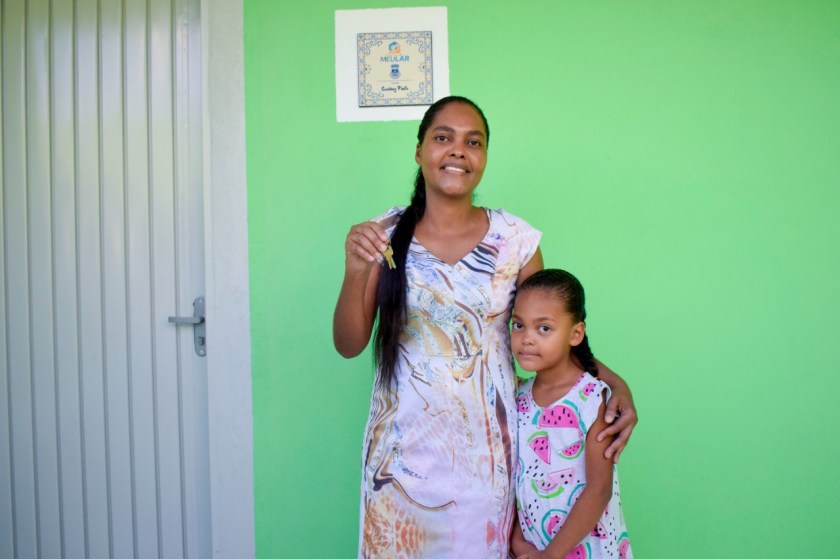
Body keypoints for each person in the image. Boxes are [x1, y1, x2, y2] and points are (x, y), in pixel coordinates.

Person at [333, 96, 637, 558]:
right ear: (419, 151)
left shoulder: (514, 240)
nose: (458, 150)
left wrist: (615, 384)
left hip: (487, 463)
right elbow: (349, 344)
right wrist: (356, 270)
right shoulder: (384, 234)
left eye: (473, 142)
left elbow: (547, 335)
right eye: (443, 137)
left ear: (485, 157)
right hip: (397, 465)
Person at [509, 269, 632, 559]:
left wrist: (551, 555)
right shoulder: (517, 396)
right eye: (518, 325)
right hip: (533, 548)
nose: (526, 339)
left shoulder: (593, 399)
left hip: (587, 550)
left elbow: (599, 489)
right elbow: (517, 479)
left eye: (544, 328)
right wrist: (516, 539)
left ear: (575, 334)